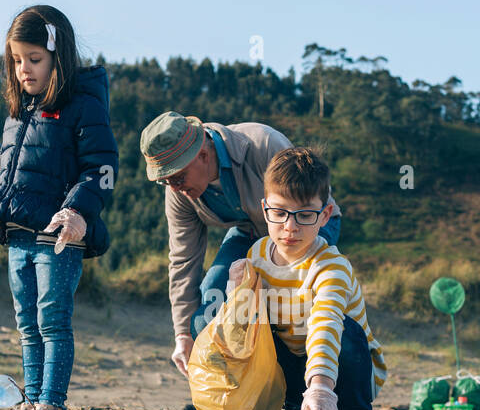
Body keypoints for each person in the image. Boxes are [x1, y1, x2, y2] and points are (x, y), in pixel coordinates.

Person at [0, 6, 117, 410]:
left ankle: (52, 409)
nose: (23, 70)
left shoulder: (82, 104)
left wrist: (76, 211)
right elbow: (4, 184)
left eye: (34, 59)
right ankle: (32, 402)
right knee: (27, 325)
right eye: (16, 61)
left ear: (59, 56)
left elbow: (102, 168)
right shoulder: (19, 113)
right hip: (18, 237)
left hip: (58, 237)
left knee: (53, 322)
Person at [139, 112, 344, 379]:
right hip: (248, 232)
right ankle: (248, 394)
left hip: (304, 224)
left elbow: (303, 207)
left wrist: (276, 271)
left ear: (202, 154)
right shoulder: (177, 192)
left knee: (286, 308)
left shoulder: (263, 144)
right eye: (164, 181)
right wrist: (182, 334)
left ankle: (299, 389)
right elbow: (183, 259)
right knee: (208, 313)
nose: (173, 188)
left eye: (177, 178)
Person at [223, 147, 386, 410]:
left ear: (324, 215)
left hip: (342, 371)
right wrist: (238, 294)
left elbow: (325, 324)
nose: (290, 226)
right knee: (259, 327)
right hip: (293, 373)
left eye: (305, 215)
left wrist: (322, 387)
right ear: (264, 208)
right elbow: (244, 330)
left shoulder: (330, 266)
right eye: (280, 212)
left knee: (346, 329)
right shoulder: (256, 255)